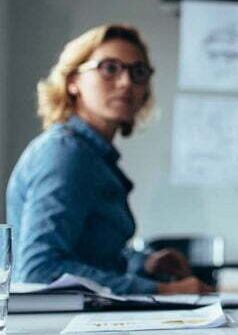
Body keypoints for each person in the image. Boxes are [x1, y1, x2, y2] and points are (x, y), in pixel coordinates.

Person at [6, 24, 212, 295]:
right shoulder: (66, 153)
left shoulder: (93, 156)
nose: (126, 82)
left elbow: (88, 256)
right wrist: (160, 290)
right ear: (73, 81)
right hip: (61, 334)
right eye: (109, 68)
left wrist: (144, 264)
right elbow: (39, 272)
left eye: (138, 72)